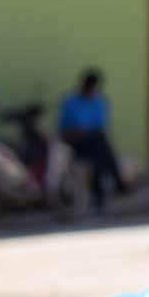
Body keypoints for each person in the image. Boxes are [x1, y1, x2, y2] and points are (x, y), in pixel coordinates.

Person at [59, 69, 127, 209]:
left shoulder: (99, 102)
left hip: (93, 141)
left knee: (99, 154)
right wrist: (78, 132)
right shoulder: (70, 102)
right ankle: (117, 184)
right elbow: (62, 129)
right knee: (101, 149)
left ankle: (101, 194)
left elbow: (100, 126)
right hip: (75, 141)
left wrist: (86, 131)